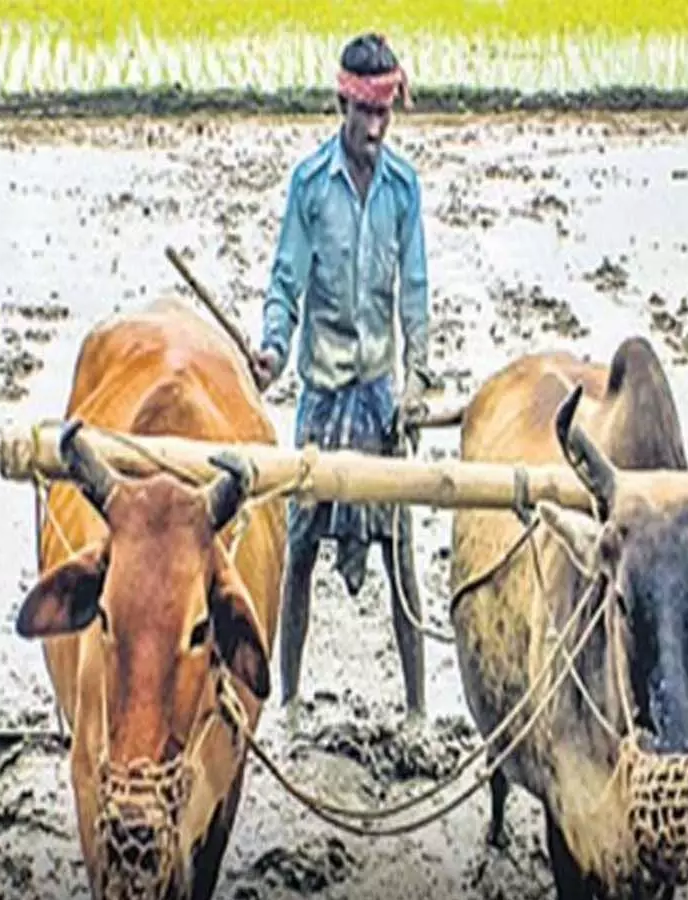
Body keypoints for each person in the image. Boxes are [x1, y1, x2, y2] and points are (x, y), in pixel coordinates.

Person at [250, 32, 430, 727]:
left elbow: (412, 290)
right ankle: (289, 701)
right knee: (299, 551)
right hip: (323, 392)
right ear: (342, 107)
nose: (376, 130)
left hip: (381, 395)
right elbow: (286, 280)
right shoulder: (310, 186)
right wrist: (271, 349)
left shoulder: (403, 189)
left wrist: (417, 379)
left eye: (386, 116)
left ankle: (417, 710)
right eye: (365, 116)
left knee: (400, 559)